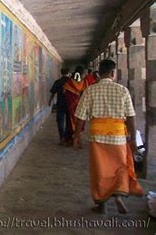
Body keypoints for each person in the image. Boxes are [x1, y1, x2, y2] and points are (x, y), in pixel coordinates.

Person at [74, 59, 144, 214]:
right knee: (119, 167)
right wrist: (132, 138)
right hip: (118, 137)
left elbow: (80, 116)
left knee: (100, 170)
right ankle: (118, 194)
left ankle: (101, 204)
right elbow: (131, 116)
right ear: (113, 73)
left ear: (98, 73)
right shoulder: (122, 90)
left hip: (97, 137)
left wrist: (77, 135)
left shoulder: (90, 90)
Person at [63, 66, 88, 143]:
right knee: (80, 121)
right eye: (84, 74)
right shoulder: (84, 83)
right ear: (82, 74)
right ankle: (77, 138)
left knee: (69, 122)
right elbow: (86, 94)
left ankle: (69, 139)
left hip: (70, 107)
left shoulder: (69, 83)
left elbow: (65, 93)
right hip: (81, 107)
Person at [49, 68, 71, 145]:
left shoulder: (58, 82)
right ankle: (67, 137)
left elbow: (53, 93)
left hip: (60, 104)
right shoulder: (71, 82)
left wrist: (50, 101)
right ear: (68, 73)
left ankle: (61, 138)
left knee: (60, 121)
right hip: (69, 104)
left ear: (61, 73)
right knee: (69, 121)